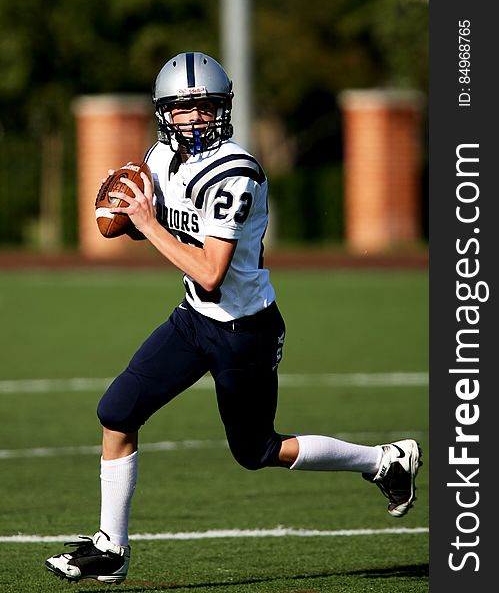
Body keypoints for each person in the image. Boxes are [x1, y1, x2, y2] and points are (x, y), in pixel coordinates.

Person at [45, 52, 422, 584]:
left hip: (244, 330)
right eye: (183, 109)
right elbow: (144, 222)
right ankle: (111, 549)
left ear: (223, 110)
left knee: (256, 450)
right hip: (194, 321)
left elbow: (209, 271)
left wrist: (146, 224)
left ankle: (384, 460)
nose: (195, 118)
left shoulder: (235, 173)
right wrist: (123, 213)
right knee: (117, 411)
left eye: (206, 108)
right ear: (164, 114)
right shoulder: (159, 157)